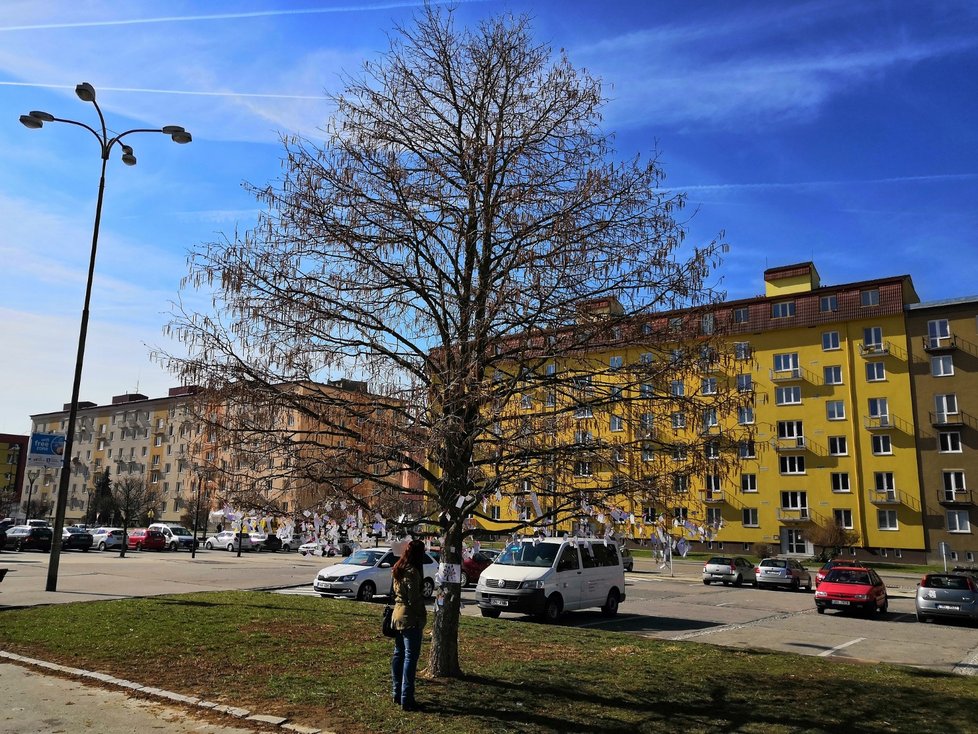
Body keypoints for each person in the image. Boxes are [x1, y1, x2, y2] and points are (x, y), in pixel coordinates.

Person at [390, 539, 427, 711]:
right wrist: (422, 615)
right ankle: (406, 697)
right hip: (409, 617)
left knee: (399, 654)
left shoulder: (398, 567)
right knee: (410, 658)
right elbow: (414, 599)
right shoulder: (412, 572)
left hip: (397, 614)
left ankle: (397, 693)